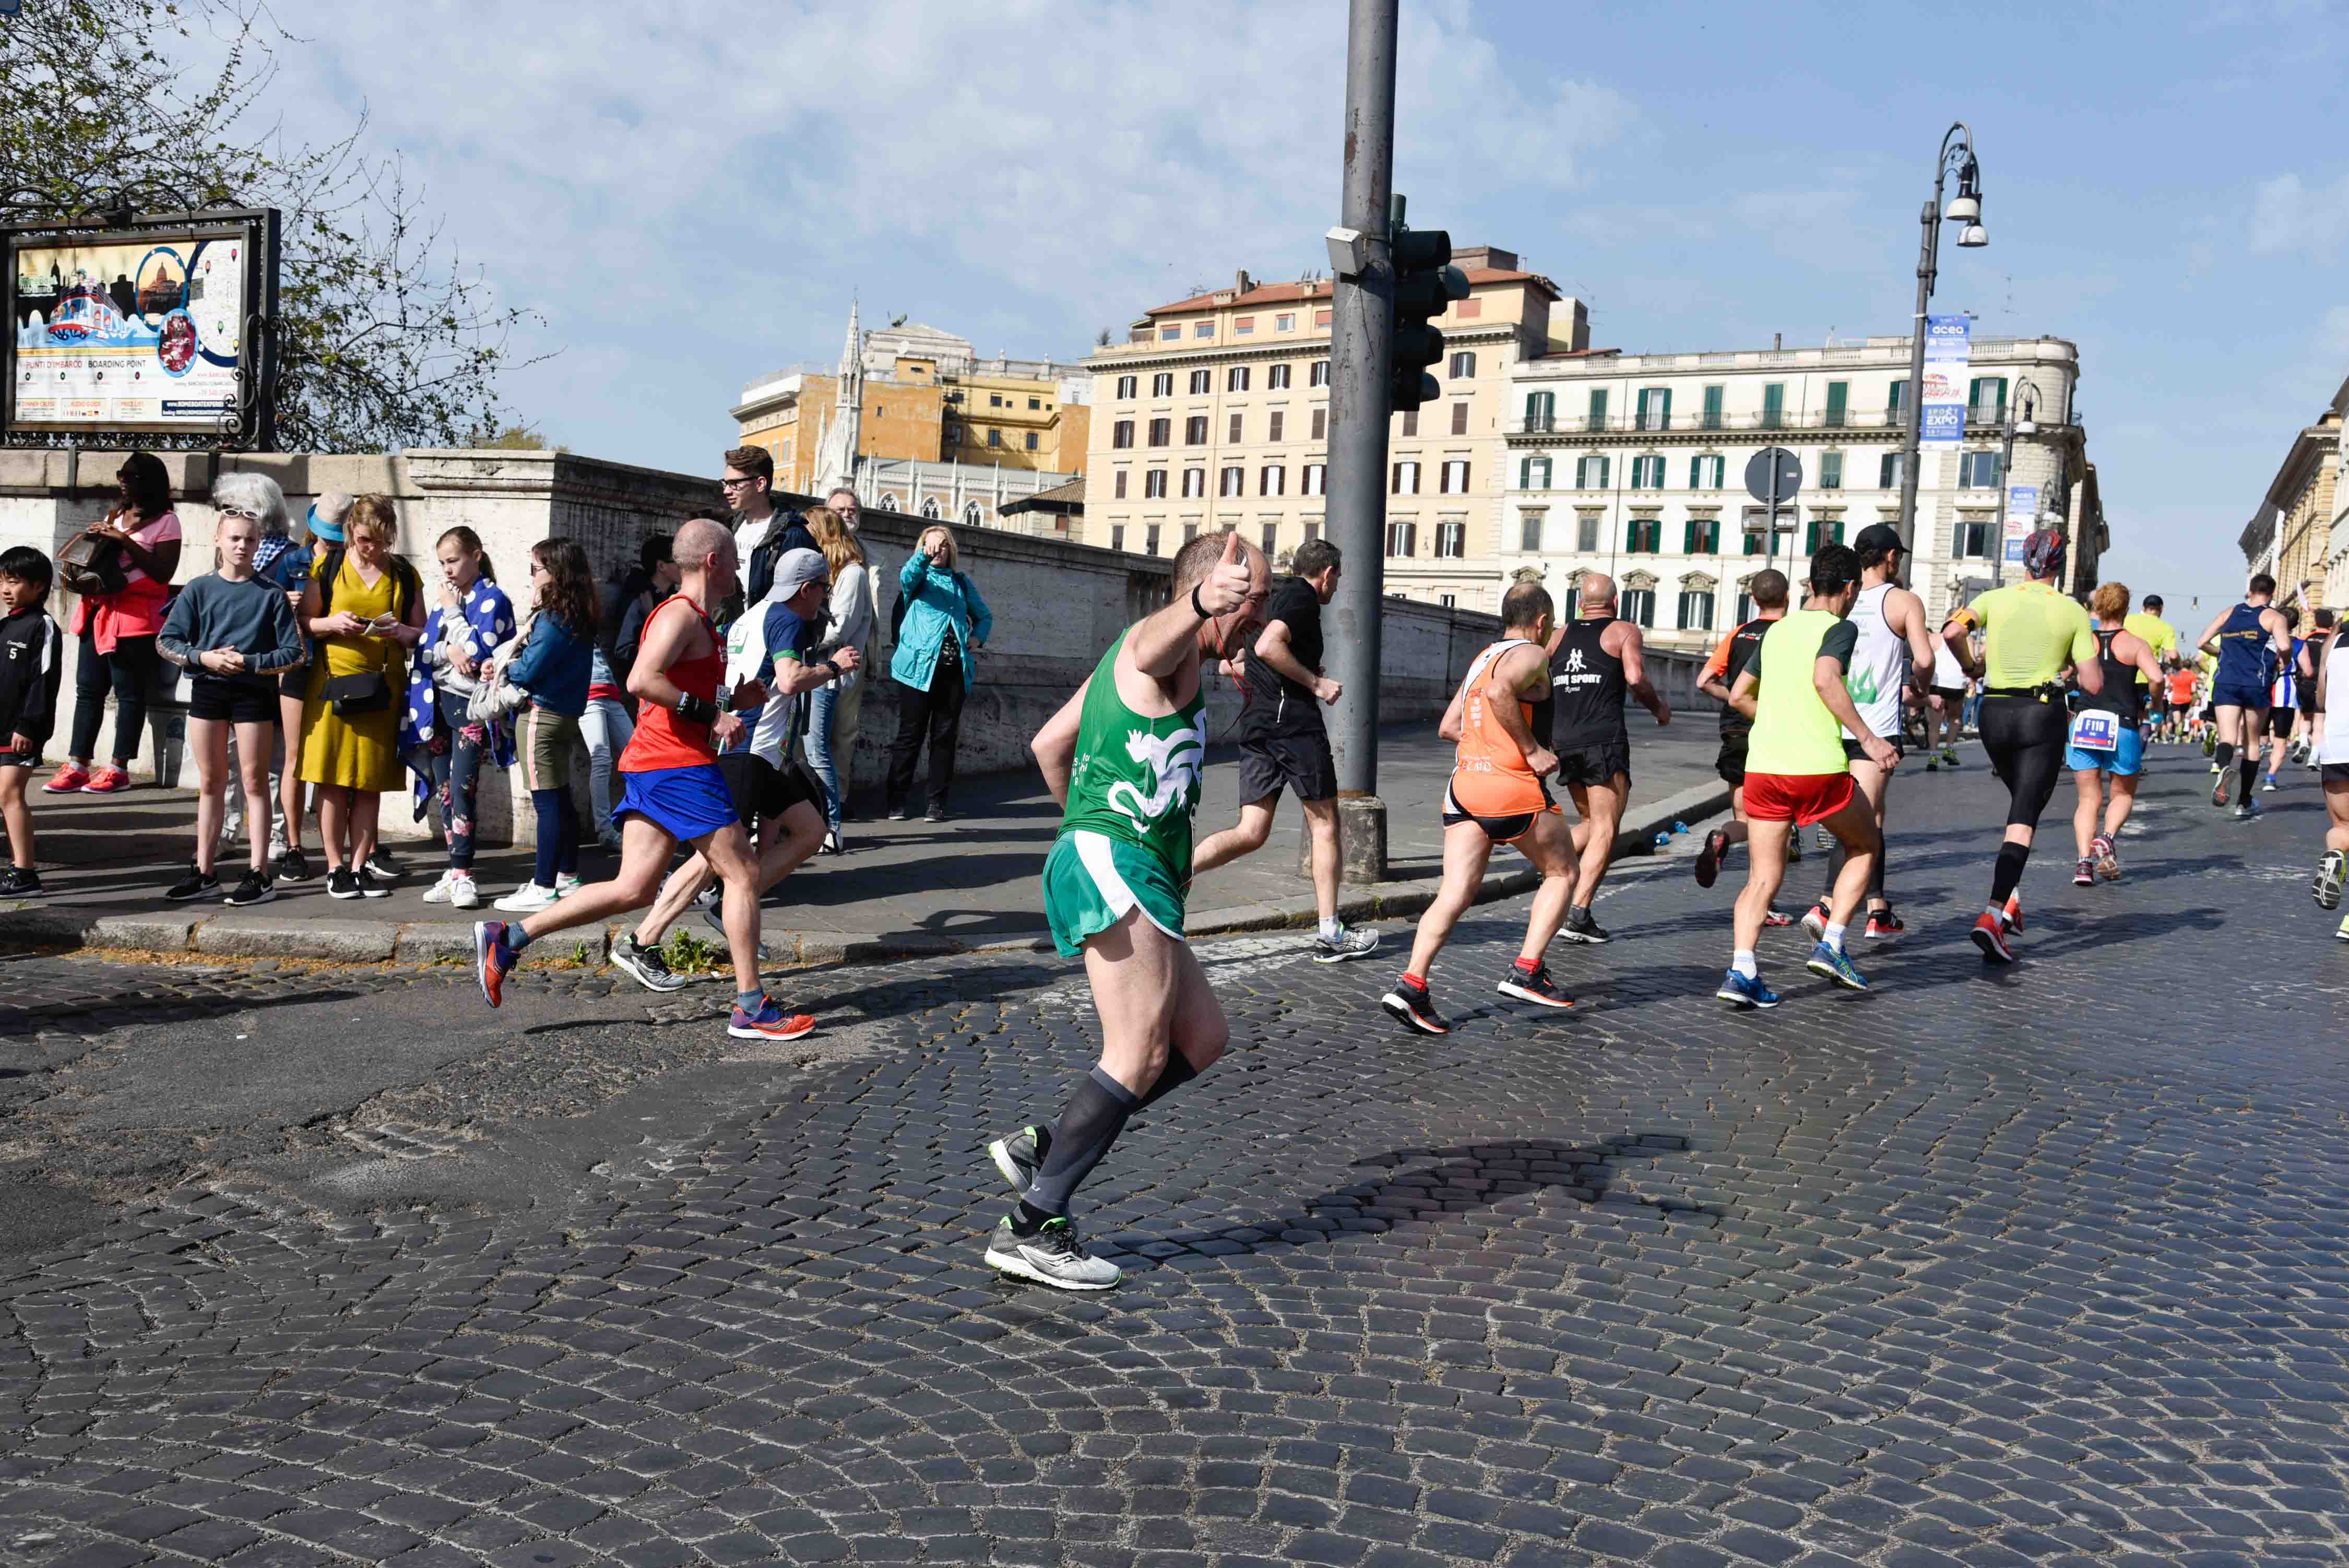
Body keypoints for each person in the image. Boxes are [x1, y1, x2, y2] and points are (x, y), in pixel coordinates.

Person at [978, 531, 1267, 1290]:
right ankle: (1033, 1225)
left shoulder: (1140, 661)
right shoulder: (1160, 648)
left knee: (1201, 1037)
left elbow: (1049, 745)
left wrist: (1083, 828)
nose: (1260, 614)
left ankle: (1049, 1145)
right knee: (1137, 1050)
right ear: (1212, 592)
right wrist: (1201, 603)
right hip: (1121, 860)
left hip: (1123, 860)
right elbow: (1149, 645)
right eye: (1253, 597)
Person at [474, 517, 811, 1042]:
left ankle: (509, 937)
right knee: (743, 871)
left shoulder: (700, 619)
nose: (741, 569)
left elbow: (676, 686)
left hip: (658, 762)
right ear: (714, 562)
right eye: (735, 559)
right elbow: (641, 680)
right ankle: (751, 1006)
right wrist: (714, 715)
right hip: (677, 765)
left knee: (633, 887)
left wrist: (731, 700)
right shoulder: (680, 614)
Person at [609, 547, 853, 991]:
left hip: (756, 750)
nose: (824, 598)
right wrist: (834, 667)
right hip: (747, 751)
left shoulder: (749, 616)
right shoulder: (787, 619)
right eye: (824, 589)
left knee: (811, 830)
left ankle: (733, 907)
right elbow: (789, 679)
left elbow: (720, 682)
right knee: (714, 859)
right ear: (807, 589)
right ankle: (644, 940)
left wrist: (731, 704)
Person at [1379, 583, 1580, 1035]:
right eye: (1550, 625)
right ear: (1542, 621)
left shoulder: (1482, 659)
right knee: (1564, 872)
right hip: (1510, 788)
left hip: (1465, 787)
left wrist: (1487, 743)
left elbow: (1450, 726)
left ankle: (1412, 985)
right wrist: (1530, 750)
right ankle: (1527, 970)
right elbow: (1500, 694)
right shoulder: (1532, 654)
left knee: (1454, 893)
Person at [1714, 545, 1892, 1008]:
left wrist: (1778, 718)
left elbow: (1738, 695)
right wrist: (1869, 740)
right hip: (1816, 769)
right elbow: (1826, 678)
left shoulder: (1776, 632)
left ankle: (1742, 971)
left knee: (1762, 878)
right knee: (1865, 843)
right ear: (1850, 589)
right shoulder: (1840, 628)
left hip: (1764, 769)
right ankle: (1832, 944)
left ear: (1811, 585)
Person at [1192, 538, 1378, 962]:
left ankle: (1174, 875)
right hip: (1294, 727)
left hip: (1258, 726)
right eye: (1337, 577)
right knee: (1325, 824)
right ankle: (1330, 933)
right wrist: (1316, 683)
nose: (1336, 586)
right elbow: (1267, 647)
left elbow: (1236, 664)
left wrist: (1298, 670)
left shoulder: (1273, 599)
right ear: (1327, 574)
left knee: (1251, 832)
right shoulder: (1302, 598)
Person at [1942, 529, 2103, 961]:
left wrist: (1971, 666)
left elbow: (1952, 632)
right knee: (2024, 817)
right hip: (2039, 714)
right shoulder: (2071, 610)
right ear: (2059, 566)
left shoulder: (1991, 599)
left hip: (1994, 713)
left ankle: (2011, 900)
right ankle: (1994, 913)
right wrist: (2070, 664)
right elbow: (2093, 683)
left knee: (2022, 804)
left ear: (2024, 560)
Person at [156, 506, 305, 905]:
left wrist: (250, 662)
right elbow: (167, 641)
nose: (242, 546)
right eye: (235, 538)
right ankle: (204, 871)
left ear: (259, 545)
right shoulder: (198, 589)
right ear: (218, 540)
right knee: (211, 782)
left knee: (255, 782)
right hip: (208, 689)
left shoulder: (271, 594)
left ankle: (259, 874)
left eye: (250, 539)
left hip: (253, 693)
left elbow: (294, 653)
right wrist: (203, 657)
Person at [1796, 525, 1936, 945]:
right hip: (1874, 730)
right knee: (1857, 822)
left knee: (1872, 818)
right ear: (1891, 557)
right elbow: (1924, 658)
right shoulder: (1903, 601)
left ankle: (1878, 910)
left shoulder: (1831, 598)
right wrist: (1921, 686)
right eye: (1900, 557)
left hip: (1827, 721)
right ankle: (1825, 906)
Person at [296, 494, 424, 900]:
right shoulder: (328, 566)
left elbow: (422, 634)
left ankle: (360, 865)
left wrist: (397, 631)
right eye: (366, 539)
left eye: (382, 541)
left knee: (370, 782)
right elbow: (306, 621)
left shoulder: (403, 573)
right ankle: (336, 867)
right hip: (333, 684)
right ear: (351, 530)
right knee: (332, 781)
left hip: (383, 686)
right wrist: (333, 623)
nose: (373, 548)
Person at [1534, 573, 1669, 945]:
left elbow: (1541, 684)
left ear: (1580, 604)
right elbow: (1635, 677)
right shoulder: (1623, 631)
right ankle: (1578, 913)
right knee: (1607, 827)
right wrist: (1659, 708)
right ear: (1616, 603)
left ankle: (1547, 863)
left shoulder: (1558, 636)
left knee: (1591, 822)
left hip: (1565, 741)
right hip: (1603, 740)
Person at [44, 452, 181, 795]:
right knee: (88, 689)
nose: (123, 480)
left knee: (129, 694)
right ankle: (78, 764)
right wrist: (97, 538)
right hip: (99, 612)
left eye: (131, 476)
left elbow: (163, 572)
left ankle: (119, 769)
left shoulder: (167, 522)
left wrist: (123, 540)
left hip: (136, 620)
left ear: (150, 482)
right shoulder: (116, 513)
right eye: (122, 473)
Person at [406, 527, 516, 911]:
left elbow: (481, 653)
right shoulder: (447, 599)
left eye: (453, 560)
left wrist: (454, 620)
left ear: (476, 556)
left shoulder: (493, 599)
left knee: (463, 787)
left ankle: (464, 872)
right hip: (436, 703)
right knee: (446, 791)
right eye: (442, 563)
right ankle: (455, 870)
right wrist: (449, 651)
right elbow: (426, 650)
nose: (447, 570)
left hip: (469, 706)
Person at [490, 540, 598, 913]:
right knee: (560, 797)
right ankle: (566, 875)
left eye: (536, 569)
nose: (532, 576)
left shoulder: (554, 617)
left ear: (556, 573)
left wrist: (507, 667)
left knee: (547, 802)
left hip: (541, 714)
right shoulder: (579, 613)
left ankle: (544, 885)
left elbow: (528, 669)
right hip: (565, 715)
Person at [259, 492, 350, 881]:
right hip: (298, 664)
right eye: (328, 535)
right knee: (294, 759)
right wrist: (284, 601)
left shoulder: (354, 562)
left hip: (339, 667)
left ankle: (343, 853)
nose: (333, 542)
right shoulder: (292, 561)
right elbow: (263, 612)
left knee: (335, 759)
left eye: (338, 535)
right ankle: (294, 846)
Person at [210, 473, 298, 860]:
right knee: (228, 763)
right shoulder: (226, 555)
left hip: (268, 674)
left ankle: (276, 836)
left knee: (270, 763)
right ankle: (227, 831)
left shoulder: (291, 557)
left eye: (234, 508)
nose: (227, 515)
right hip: (224, 674)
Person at [1693, 567, 1789, 912]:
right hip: (1774, 733)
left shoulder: (1738, 634)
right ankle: (1765, 903)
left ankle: (1724, 836)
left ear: (1754, 600)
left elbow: (1704, 681)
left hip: (1735, 732)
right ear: (1788, 597)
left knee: (1745, 818)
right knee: (1776, 825)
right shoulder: (1791, 633)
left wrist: (1736, 697)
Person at [887, 524, 991, 822]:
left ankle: (936, 803)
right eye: (931, 544)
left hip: (953, 672)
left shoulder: (961, 582)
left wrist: (976, 639)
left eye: (943, 544)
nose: (937, 549)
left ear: (951, 550)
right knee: (910, 735)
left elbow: (984, 616)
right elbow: (907, 576)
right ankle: (896, 801)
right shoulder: (918, 580)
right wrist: (923, 555)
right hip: (917, 670)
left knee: (944, 738)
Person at [2065, 583, 2165, 886]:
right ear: (2126, 609)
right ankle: (2107, 838)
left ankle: (2084, 865)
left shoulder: (2083, 642)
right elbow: (2157, 678)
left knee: (2087, 799)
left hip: (2084, 721)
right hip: (2120, 724)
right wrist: (2155, 704)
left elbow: (2064, 672)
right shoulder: (2135, 644)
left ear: (2097, 608)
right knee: (2122, 794)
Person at [595, 533, 679, 847]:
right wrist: (660, 656)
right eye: (674, 561)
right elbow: (624, 649)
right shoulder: (639, 601)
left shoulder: (670, 599)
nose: (681, 566)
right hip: (641, 696)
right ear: (661, 566)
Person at [2192, 572, 2293, 820]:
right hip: (2256, 682)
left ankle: (2224, 768)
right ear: (2272, 594)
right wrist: (2283, 662)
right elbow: (2285, 646)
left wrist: (2221, 654)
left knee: (2227, 737)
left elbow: (2201, 642)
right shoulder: (2274, 617)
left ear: (2250, 591)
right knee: (2252, 743)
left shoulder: (2230, 612)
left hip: (2226, 680)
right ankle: (2244, 800)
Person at [801, 507, 871, 854]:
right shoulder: (828, 573)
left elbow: (839, 627)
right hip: (806, 669)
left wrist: (795, 637)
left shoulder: (853, 574)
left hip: (827, 673)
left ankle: (832, 826)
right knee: (800, 750)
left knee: (818, 749)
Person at [0, 546, 63, 898]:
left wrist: (28, 725)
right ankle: (15, 868)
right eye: (2, 582)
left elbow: (45, 679)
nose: (6, 589)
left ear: (39, 587)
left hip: (21, 731)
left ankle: (25, 873)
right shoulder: (6, 625)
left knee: (10, 795)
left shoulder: (43, 626)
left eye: (14, 582)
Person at [722, 446, 815, 610]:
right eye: (725, 483)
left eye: (734, 484)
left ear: (760, 484)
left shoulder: (791, 536)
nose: (726, 491)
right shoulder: (728, 529)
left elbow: (802, 602)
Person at [2309, 614, 2349, 935]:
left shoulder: (2334, 644)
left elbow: (2321, 699)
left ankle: (2335, 855)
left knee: (2343, 827)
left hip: (2338, 744)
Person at [2262, 608, 2306, 789]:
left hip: (2263, 692)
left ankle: (2255, 759)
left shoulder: (2264, 641)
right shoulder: (2299, 644)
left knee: (2260, 736)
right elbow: (2309, 671)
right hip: (2286, 695)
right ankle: (2271, 777)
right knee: (2281, 738)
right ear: (2296, 624)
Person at [1923, 615, 1969, 769]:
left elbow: (1925, 660)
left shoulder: (1933, 638)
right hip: (1957, 685)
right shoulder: (1967, 639)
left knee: (1934, 725)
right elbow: (1972, 662)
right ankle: (1949, 749)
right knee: (1955, 719)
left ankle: (1933, 757)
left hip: (1937, 684)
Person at [2303, 609, 2336, 763]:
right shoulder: (2336, 639)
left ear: (2316, 622)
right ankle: (2315, 755)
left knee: (2307, 716)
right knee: (2323, 719)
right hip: (2329, 681)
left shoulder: (2306, 638)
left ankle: (2304, 742)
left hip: (2308, 681)